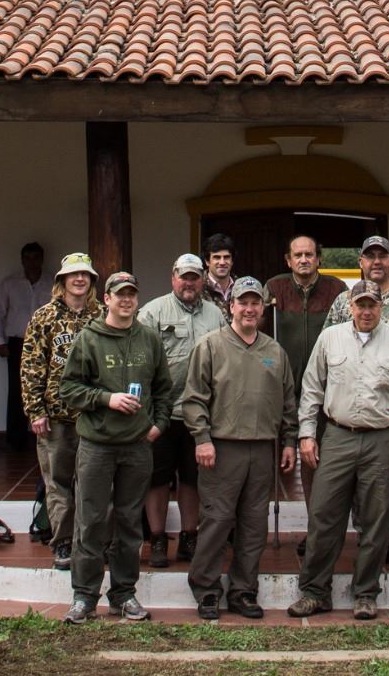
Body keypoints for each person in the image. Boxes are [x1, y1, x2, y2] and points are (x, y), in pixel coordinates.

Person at [289, 279, 389, 621]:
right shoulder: (330, 338)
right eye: (360, 304)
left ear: (381, 307)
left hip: (383, 438)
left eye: (372, 305)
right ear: (350, 306)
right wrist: (307, 434)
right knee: (324, 514)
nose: (366, 311)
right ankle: (314, 592)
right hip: (338, 434)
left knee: (376, 519)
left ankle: (365, 593)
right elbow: (311, 389)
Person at [58, 271, 174, 624]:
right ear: (106, 299)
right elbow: (69, 389)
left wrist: (158, 425)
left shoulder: (149, 339)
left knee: (129, 523)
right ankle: (84, 596)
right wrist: (106, 399)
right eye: (119, 294)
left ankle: (124, 594)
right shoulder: (89, 339)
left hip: (137, 446)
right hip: (97, 445)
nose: (126, 300)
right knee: (91, 521)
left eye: (131, 294)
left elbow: (164, 389)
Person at [180, 276, 297, 620]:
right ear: (230, 306)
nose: (249, 309)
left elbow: (288, 402)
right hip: (221, 448)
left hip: (262, 449)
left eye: (255, 303)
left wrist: (289, 441)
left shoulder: (274, 351)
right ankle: (206, 589)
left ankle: (243, 590)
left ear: (263, 308)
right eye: (242, 302)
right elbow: (194, 398)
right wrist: (202, 438)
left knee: (254, 524)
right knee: (217, 520)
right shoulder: (210, 346)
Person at [324, 235, 389, 568]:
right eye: (369, 256)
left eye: (382, 256)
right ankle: (369, 539)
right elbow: (329, 345)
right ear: (361, 262)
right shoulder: (344, 301)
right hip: (357, 404)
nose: (376, 262)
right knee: (363, 482)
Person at [138, 252, 226, 569]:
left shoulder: (216, 315)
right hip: (161, 413)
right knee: (157, 479)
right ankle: (158, 539)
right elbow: (139, 363)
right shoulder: (152, 312)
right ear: (173, 277)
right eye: (184, 277)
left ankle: (190, 536)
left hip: (200, 414)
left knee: (193, 479)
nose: (189, 283)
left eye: (195, 277)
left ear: (203, 280)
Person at [20, 252, 101, 572]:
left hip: (94, 416)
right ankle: (63, 542)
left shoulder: (102, 315)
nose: (79, 279)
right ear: (62, 280)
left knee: (94, 485)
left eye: (85, 274)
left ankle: (91, 542)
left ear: (92, 281)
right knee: (58, 484)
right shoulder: (44, 316)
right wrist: (35, 411)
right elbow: (31, 366)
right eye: (73, 274)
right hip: (55, 418)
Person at [262, 234, 341, 505]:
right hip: (283, 385)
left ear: (318, 259)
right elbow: (255, 329)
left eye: (309, 254)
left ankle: (316, 521)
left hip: (323, 388)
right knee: (274, 453)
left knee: (314, 457)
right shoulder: (275, 287)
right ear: (288, 260)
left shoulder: (336, 289)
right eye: (298, 255)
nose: (304, 260)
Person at [0, 241, 46, 451]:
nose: (32, 262)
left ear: (42, 259)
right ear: (22, 260)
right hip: (18, 342)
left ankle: (46, 435)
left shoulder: (52, 282)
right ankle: (16, 439)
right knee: (17, 389)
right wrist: (0, 342)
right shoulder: (10, 283)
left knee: (47, 386)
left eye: (36, 257)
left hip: (45, 343)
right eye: (28, 258)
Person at [200, 232, 239, 316]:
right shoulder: (197, 288)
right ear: (207, 261)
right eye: (217, 257)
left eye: (226, 257)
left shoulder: (241, 287)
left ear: (232, 261)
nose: (222, 262)